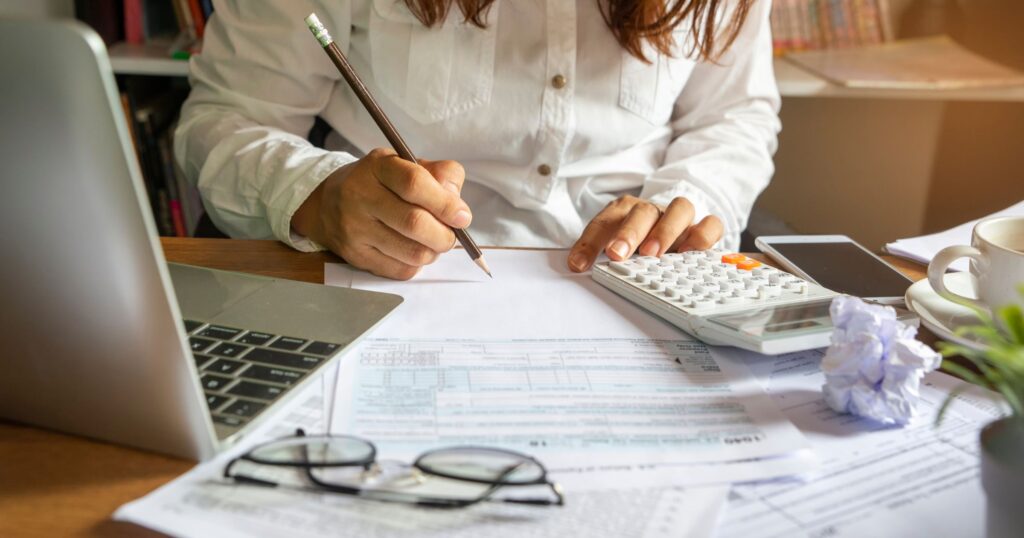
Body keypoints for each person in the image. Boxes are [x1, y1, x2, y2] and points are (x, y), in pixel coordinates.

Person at [176, 0, 779, 280]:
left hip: (639, 283)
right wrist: (317, 197)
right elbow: (226, 116)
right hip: (380, 280)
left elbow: (734, 117)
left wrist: (686, 203)